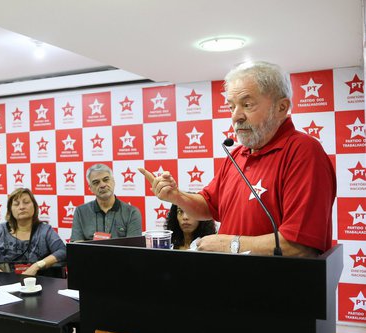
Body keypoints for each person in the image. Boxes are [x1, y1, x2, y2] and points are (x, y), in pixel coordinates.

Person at [139, 61, 336, 257]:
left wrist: (230, 244)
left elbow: (299, 246)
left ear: (281, 107)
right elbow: (208, 206)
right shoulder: (238, 154)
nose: (236, 116)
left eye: (247, 105)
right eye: (231, 107)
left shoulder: (304, 152)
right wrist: (176, 196)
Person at [0, 188, 66, 276]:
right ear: (10, 210)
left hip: (39, 283)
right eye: (16, 204)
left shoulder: (45, 230)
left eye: (26, 202)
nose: (21, 207)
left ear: (34, 206)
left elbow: (63, 251)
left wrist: (36, 266)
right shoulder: (0, 230)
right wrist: (3, 277)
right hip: (6, 284)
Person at [71, 164, 142, 241]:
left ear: (113, 182)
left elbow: (133, 249)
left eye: (106, 179)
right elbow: (76, 247)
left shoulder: (131, 212)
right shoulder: (80, 212)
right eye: (96, 182)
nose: (102, 185)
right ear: (90, 188)